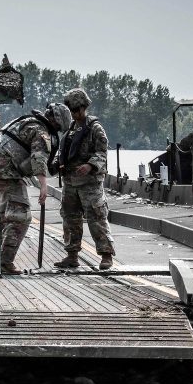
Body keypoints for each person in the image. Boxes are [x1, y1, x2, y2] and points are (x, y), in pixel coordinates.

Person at [0, 103, 73, 274]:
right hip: (7, 175)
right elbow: (38, 158)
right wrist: (43, 186)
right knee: (20, 218)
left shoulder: (28, 122)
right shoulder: (41, 132)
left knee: (3, 219)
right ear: (56, 121)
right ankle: (4, 262)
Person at [53, 88, 116, 270]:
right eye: (71, 111)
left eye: (75, 110)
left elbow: (102, 152)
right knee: (70, 218)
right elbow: (63, 152)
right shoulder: (71, 130)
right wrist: (57, 163)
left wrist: (90, 165)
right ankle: (72, 255)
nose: (73, 114)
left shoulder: (95, 128)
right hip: (70, 183)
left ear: (82, 108)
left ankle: (106, 255)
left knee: (97, 218)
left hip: (90, 183)